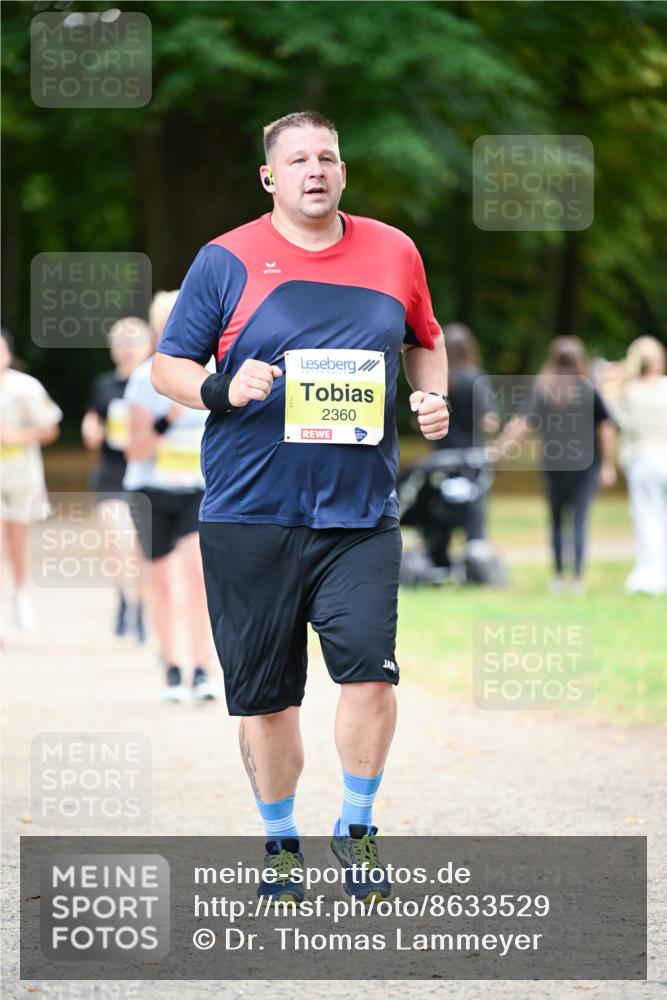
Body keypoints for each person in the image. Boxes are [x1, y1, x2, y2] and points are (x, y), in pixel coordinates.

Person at [151, 110, 449, 902]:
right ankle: (279, 839)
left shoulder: (394, 251)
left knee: (370, 680)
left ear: (343, 172)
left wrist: (432, 394)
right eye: (297, 160)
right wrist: (221, 386)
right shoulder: (226, 259)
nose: (313, 170)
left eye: (327, 157)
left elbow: (426, 335)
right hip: (251, 514)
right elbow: (167, 364)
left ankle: (356, 829)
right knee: (268, 700)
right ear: (269, 177)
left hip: (360, 516)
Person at [123, 294, 217, 703]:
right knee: (160, 582)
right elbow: (136, 449)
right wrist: (167, 418)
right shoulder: (145, 378)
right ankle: (171, 667)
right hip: (151, 491)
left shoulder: (214, 374)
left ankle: (201, 669)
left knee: (197, 578)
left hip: (196, 490)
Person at [493, 336, 616, 593]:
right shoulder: (588, 389)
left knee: (558, 521)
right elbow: (606, 427)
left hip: (555, 465)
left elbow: (522, 423)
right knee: (579, 521)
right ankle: (579, 578)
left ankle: (559, 577)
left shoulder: (544, 390)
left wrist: (498, 449)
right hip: (586, 466)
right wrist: (608, 464)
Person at [82, 317, 152, 639]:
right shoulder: (103, 384)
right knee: (117, 542)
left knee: (139, 547)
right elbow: (93, 422)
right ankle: (124, 598)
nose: (127, 350)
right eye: (121, 344)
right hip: (111, 474)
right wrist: (91, 430)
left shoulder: (156, 384)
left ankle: (139, 606)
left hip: (145, 473)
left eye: (133, 342)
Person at [0, 328, 62, 633]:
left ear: (9, 355)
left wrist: (17, 437)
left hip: (21, 476)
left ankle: (20, 592)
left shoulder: (25, 387)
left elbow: (50, 428)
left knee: (17, 542)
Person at [425, 322, 499, 568]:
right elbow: (490, 422)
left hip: (442, 457)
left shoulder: (437, 381)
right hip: (471, 456)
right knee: (473, 508)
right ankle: (474, 560)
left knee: (439, 505)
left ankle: (439, 558)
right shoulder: (476, 378)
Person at [605, 336, 667, 595]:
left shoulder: (628, 392)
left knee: (646, 518)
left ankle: (650, 574)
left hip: (642, 459)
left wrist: (616, 375)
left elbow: (610, 410)